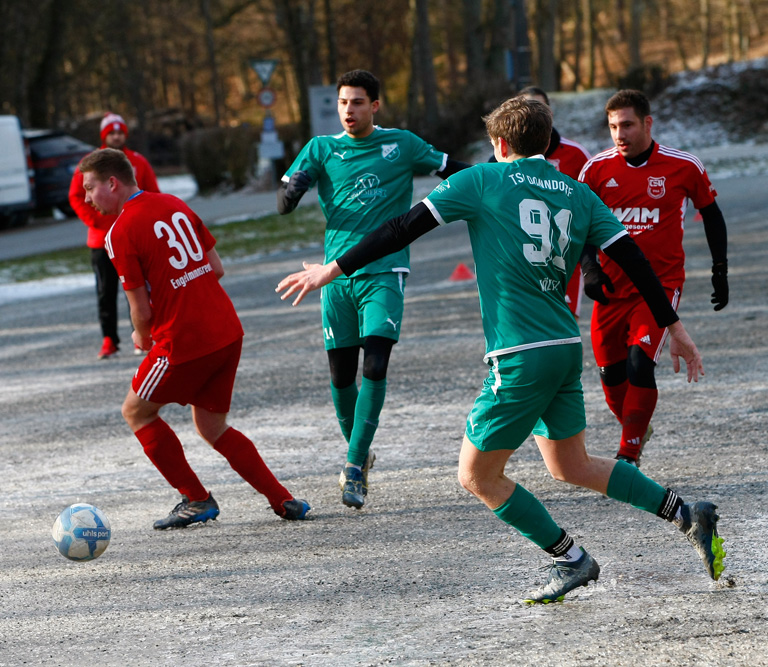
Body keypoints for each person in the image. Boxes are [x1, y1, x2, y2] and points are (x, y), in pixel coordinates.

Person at [276, 97, 725, 604]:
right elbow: (636, 261)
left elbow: (400, 228)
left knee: (475, 474)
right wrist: (677, 327)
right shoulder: (578, 193)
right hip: (561, 346)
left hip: (520, 354)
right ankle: (687, 514)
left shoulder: (483, 181)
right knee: (570, 465)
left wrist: (332, 268)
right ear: (544, 139)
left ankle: (571, 559)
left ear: (500, 143)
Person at [78, 148, 310, 529]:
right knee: (212, 427)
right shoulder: (173, 203)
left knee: (135, 412)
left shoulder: (119, 232)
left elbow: (140, 308)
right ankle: (284, 501)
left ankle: (196, 498)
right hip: (226, 331)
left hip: (184, 339)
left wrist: (141, 336)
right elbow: (215, 267)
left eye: (90, 188)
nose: (87, 198)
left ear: (112, 183)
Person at [276, 69, 469, 509]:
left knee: (375, 367)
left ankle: (353, 467)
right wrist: (294, 191)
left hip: (385, 269)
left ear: (375, 106)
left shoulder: (401, 144)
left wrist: (497, 178)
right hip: (334, 275)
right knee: (341, 378)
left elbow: (452, 171)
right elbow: (282, 205)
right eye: (344, 102)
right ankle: (360, 455)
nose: (349, 110)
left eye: (358, 102)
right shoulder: (321, 149)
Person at [578, 89, 729, 465]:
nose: (619, 134)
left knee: (639, 364)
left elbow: (711, 213)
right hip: (611, 288)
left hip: (660, 286)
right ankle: (635, 428)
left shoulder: (683, 166)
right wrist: (590, 269)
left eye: (627, 124)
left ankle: (628, 456)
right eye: (613, 126)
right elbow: (577, 225)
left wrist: (720, 270)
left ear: (647, 123)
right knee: (610, 376)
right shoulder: (595, 170)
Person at [490, 86, 593, 318]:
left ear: (550, 114)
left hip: (563, 258)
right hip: (520, 261)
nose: (532, 114)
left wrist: (590, 263)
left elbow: (593, 210)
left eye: (539, 108)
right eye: (526, 109)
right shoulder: (499, 158)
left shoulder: (576, 154)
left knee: (564, 321)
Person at [69, 113, 160, 359]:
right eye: (111, 132)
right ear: (104, 136)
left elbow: (152, 193)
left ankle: (142, 335)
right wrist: (97, 221)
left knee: (139, 289)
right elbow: (77, 197)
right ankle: (109, 339)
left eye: (120, 132)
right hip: (102, 241)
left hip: (134, 239)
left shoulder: (137, 162)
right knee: (105, 292)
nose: (116, 136)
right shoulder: (89, 165)